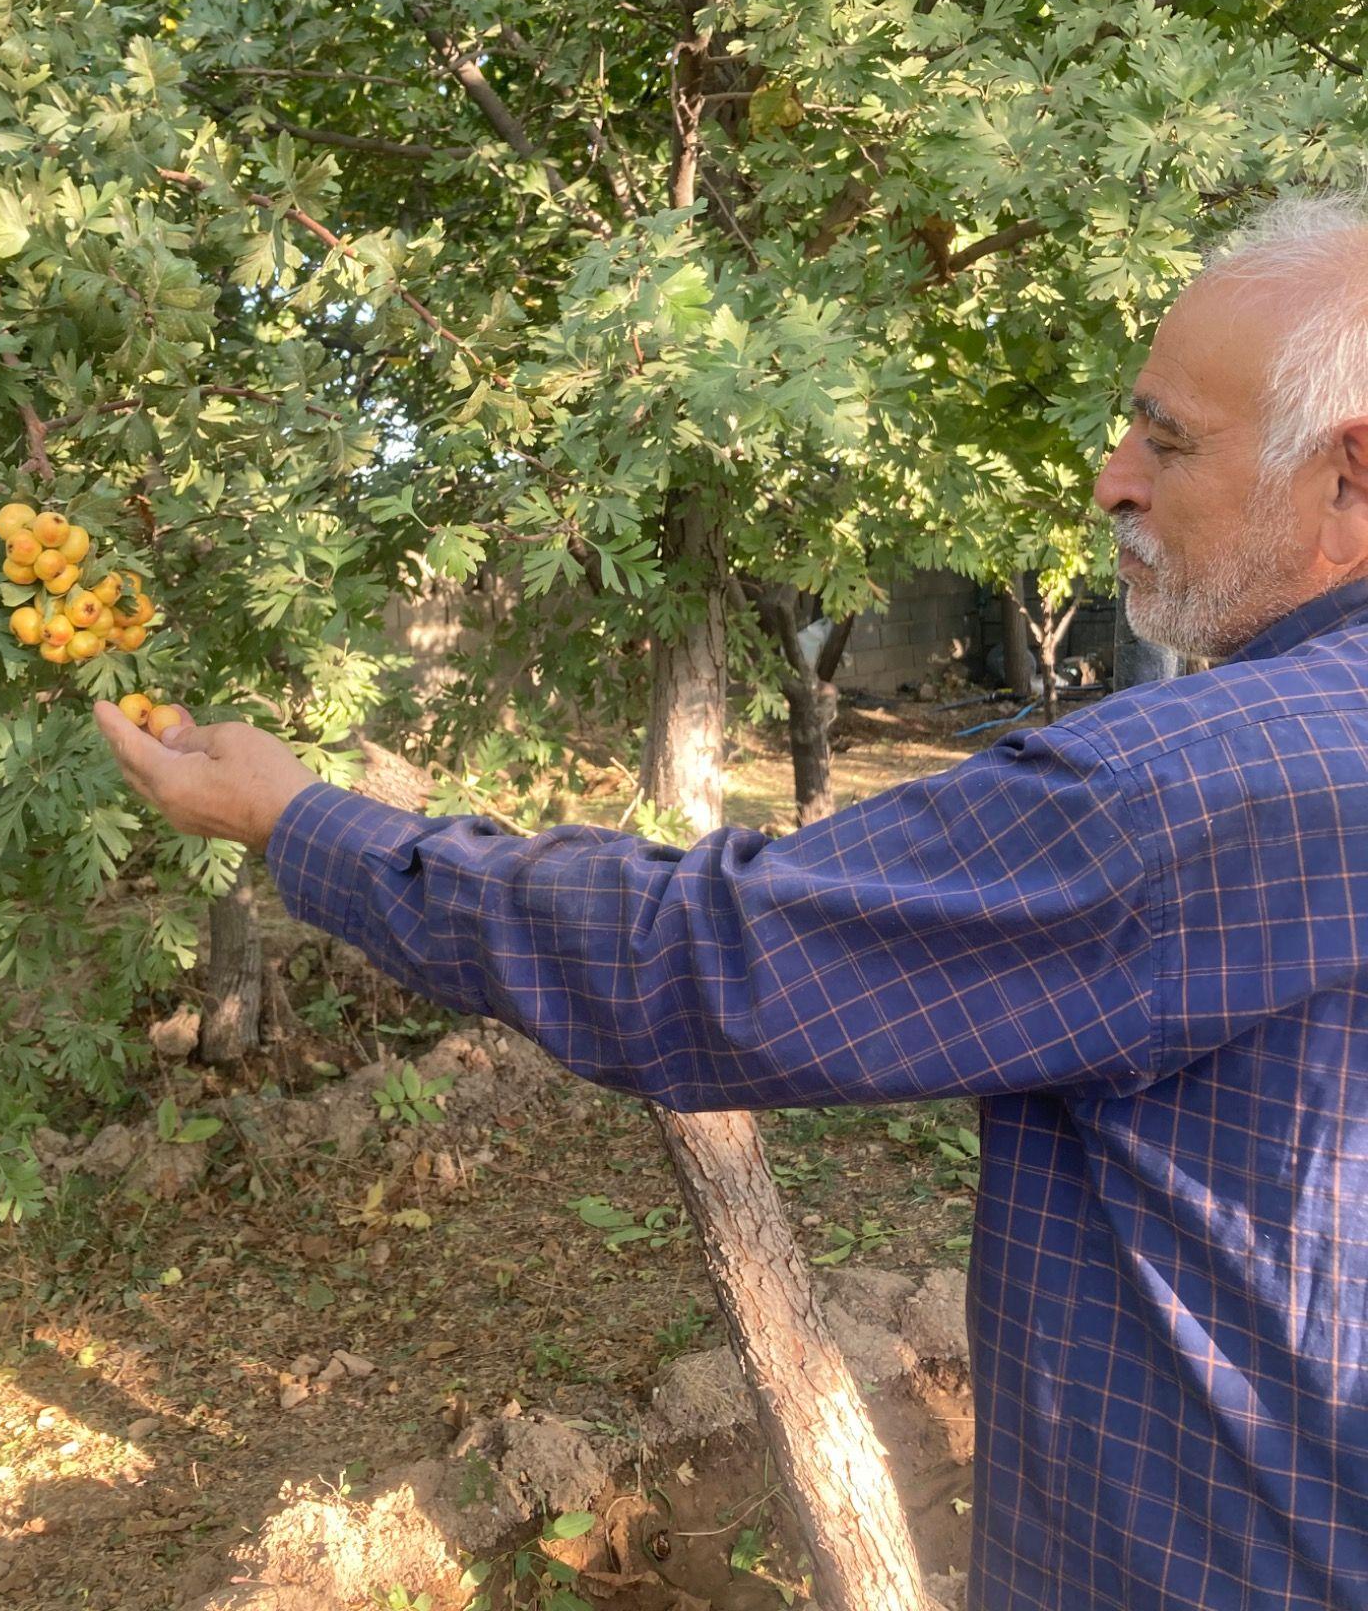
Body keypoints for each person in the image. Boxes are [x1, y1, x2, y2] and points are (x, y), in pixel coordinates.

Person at [97, 193, 1368, 1611]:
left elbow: (695, 961)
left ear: (1349, 479)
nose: (1110, 481)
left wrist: (296, 821)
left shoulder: (1196, 794)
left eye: (1167, 438)